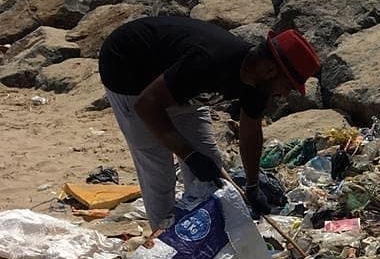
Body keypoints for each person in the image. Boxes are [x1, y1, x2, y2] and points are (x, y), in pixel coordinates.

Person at [98, 16, 321, 231]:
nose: (284, 95)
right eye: (287, 86)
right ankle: (165, 242)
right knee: (159, 170)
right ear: (270, 70)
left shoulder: (259, 82)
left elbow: (250, 131)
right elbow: (147, 105)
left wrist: (252, 186)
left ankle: (201, 235)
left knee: (211, 170)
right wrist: (189, 155)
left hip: (181, 86)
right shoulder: (210, 61)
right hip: (128, 67)